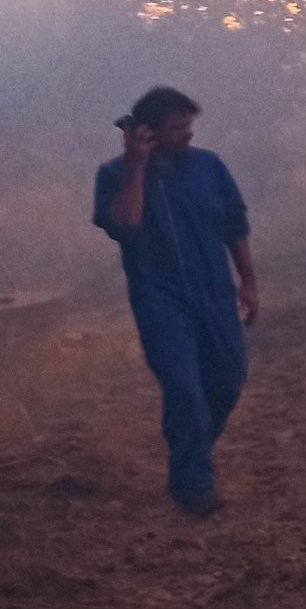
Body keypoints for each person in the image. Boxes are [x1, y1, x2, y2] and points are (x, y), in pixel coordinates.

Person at [91, 87, 258, 516]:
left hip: (215, 293)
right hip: (159, 299)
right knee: (185, 390)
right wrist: (136, 166)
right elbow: (125, 225)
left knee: (226, 382)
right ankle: (193, 488)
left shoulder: (209, 166)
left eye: (190, 125)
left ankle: (191, 449)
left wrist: (249, 281)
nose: (188, 134)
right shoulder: (113, 175)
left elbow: (234, 225)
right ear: (147, 132)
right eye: (178, 127)